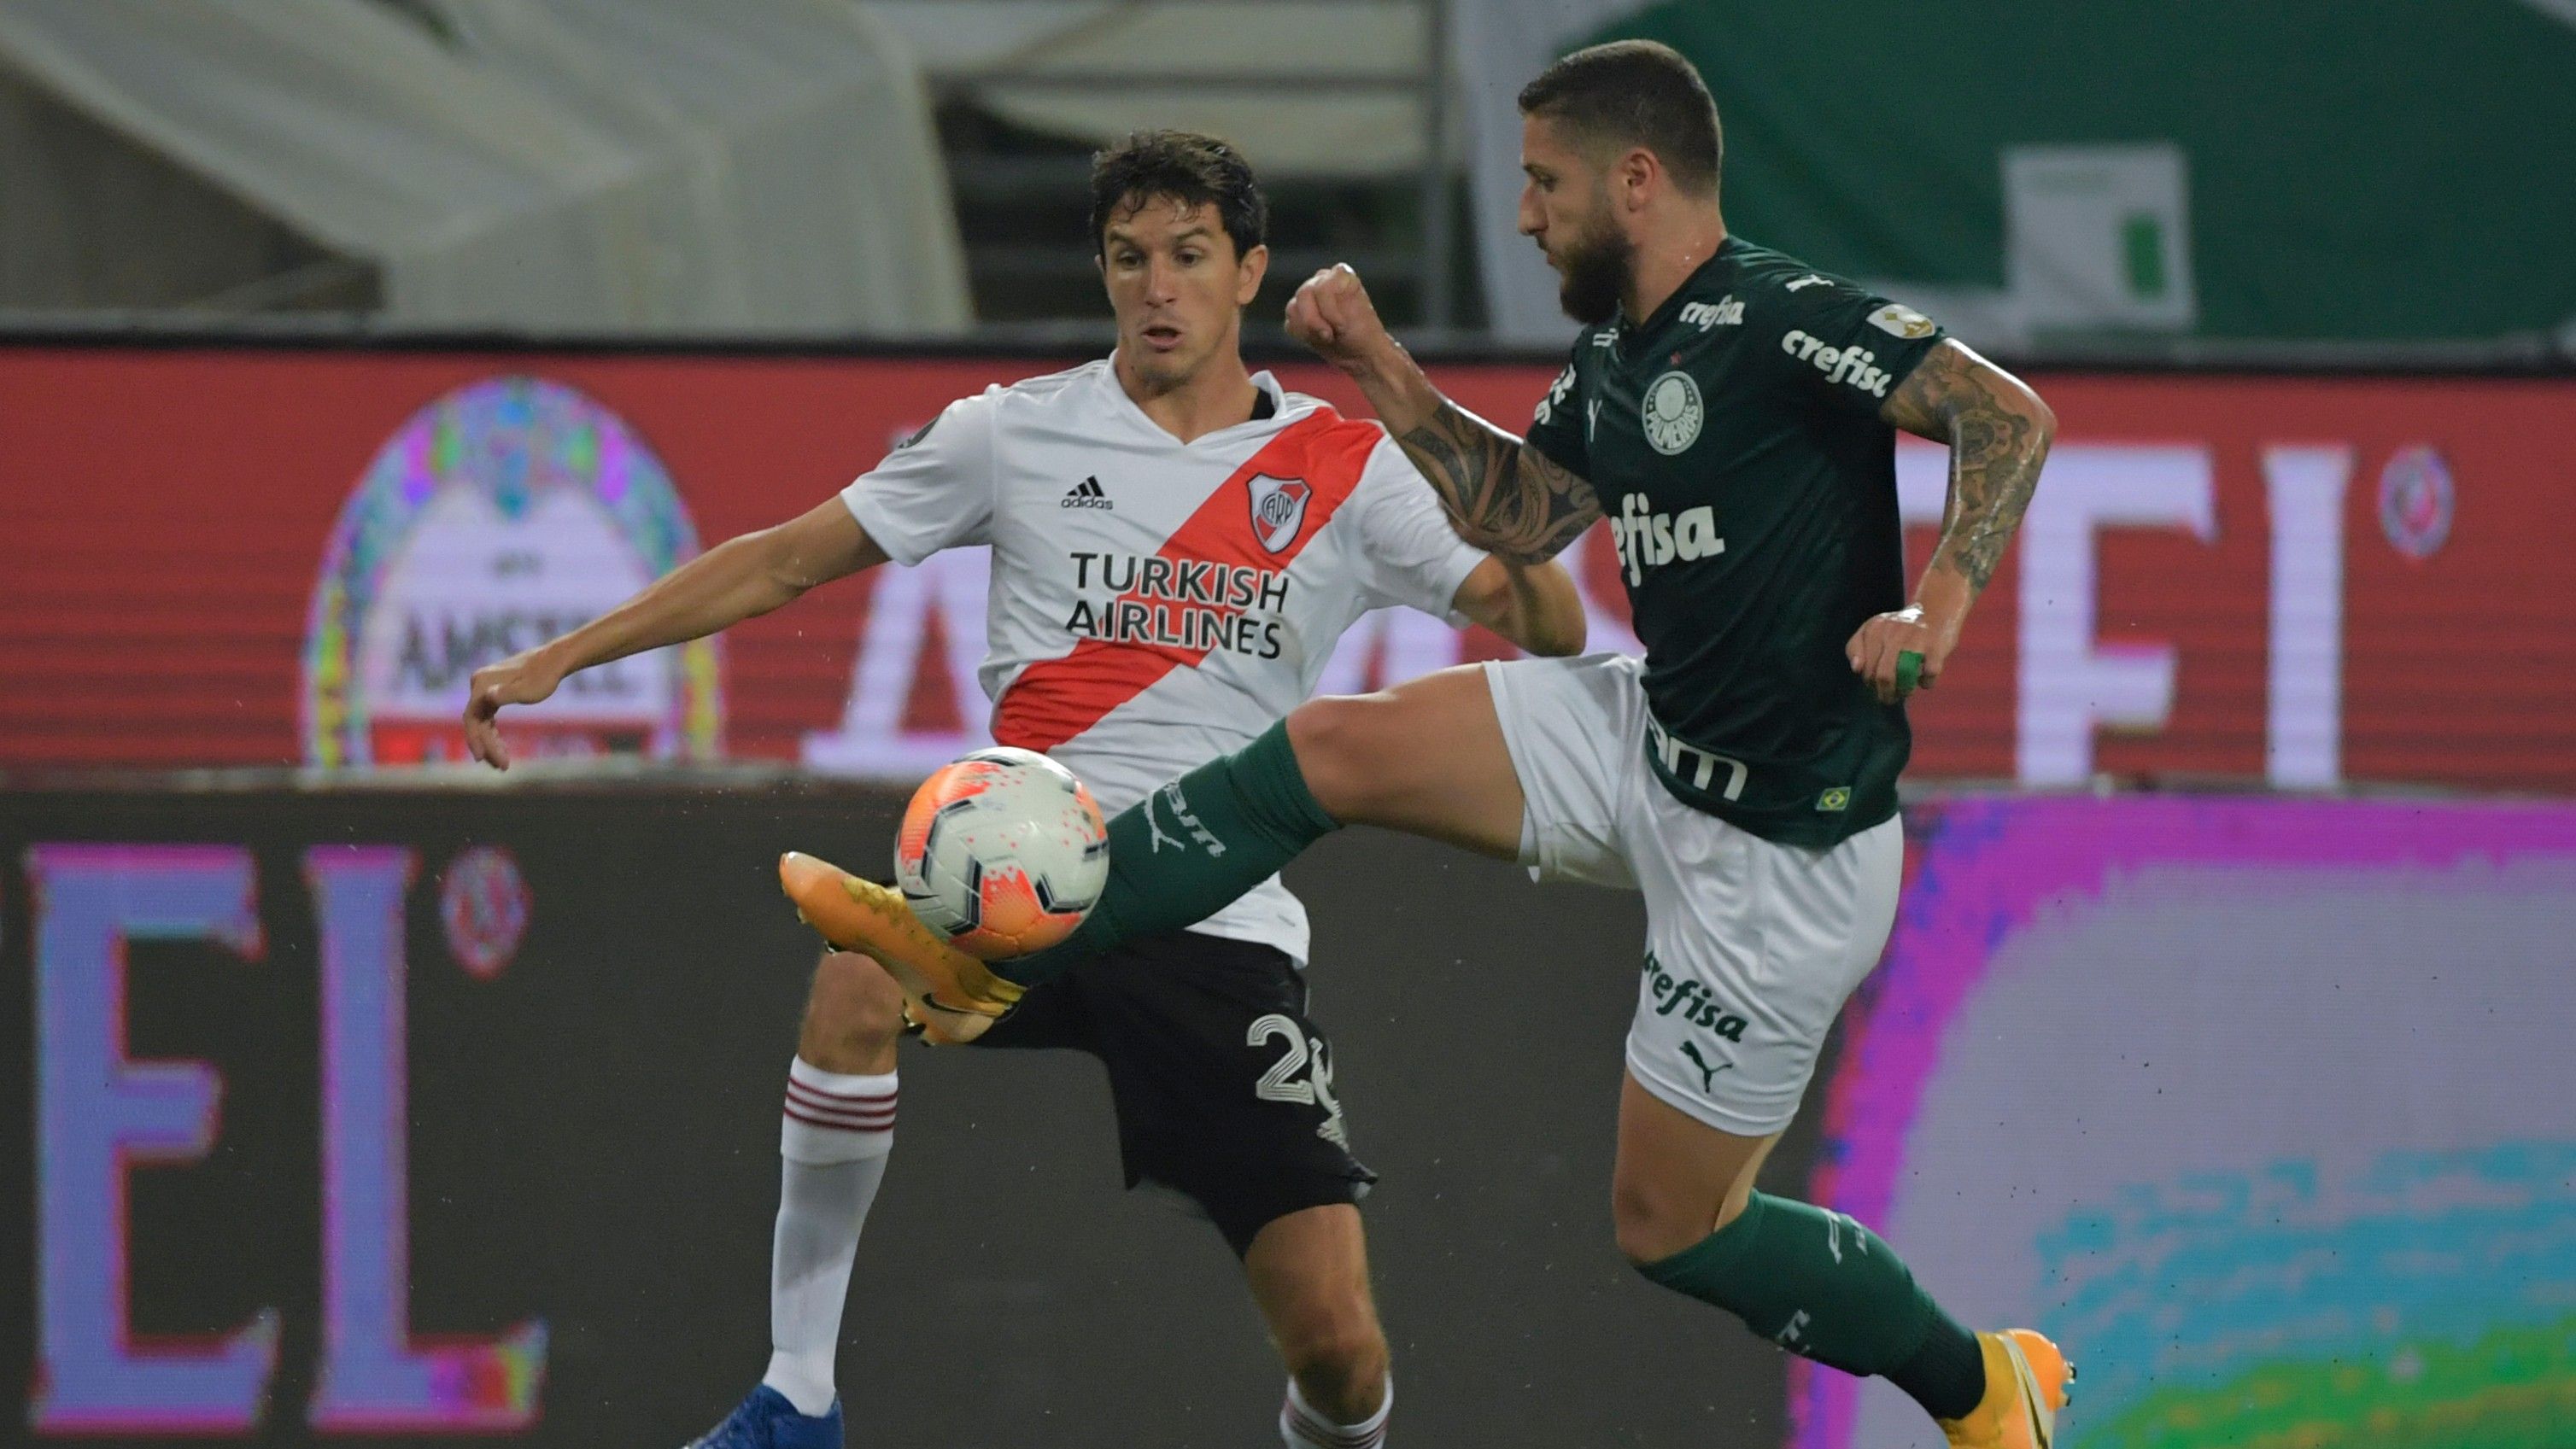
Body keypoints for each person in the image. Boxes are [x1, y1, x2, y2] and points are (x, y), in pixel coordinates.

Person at [787, 43, 2076, 1449]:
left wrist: (1933, 604)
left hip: (1783, 857)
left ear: (1634, 180)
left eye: (1544, 182)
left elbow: (2004, 412)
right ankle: (987, 946)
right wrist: (1382, 370)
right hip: (1649, 734)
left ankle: (1977, 1385)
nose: (1524, 214)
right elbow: (1525, 517)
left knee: (1672, 1228)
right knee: (1334, 748)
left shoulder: (1779, 318)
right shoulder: (1617, 355)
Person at [462, 132, 1586, 1449]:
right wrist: (562, 654)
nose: (1156, 288)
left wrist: (1395, 385)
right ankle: (798, 1396)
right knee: (855, 977)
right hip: (1027, 878)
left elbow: (1552, 617)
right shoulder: (1013, 432)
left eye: (1188, 257)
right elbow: (782, 563)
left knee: (1340, 1352)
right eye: (1128, 260)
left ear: (1249, 272)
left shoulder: (1341, 468)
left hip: (1215, 921)